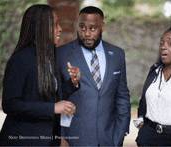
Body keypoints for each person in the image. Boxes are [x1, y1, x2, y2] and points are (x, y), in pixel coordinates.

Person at [0, 4, 81, 146]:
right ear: (41, 28)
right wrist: (53, 108)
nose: (60, 28)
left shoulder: (48, 58)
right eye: (55, 24)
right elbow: (10, 104)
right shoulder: (21, 59)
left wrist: (72, 84)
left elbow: (49, 97)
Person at [56, 6, 131, 146]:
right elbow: (56, 97)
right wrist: (61, 137)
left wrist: (120, 133)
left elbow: (122, 97)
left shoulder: (118, 55)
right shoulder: (61, 54)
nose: (87, 33)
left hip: (109, 140)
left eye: (92, 28)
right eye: (82, 27)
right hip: (74, 140)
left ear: (102, 27)